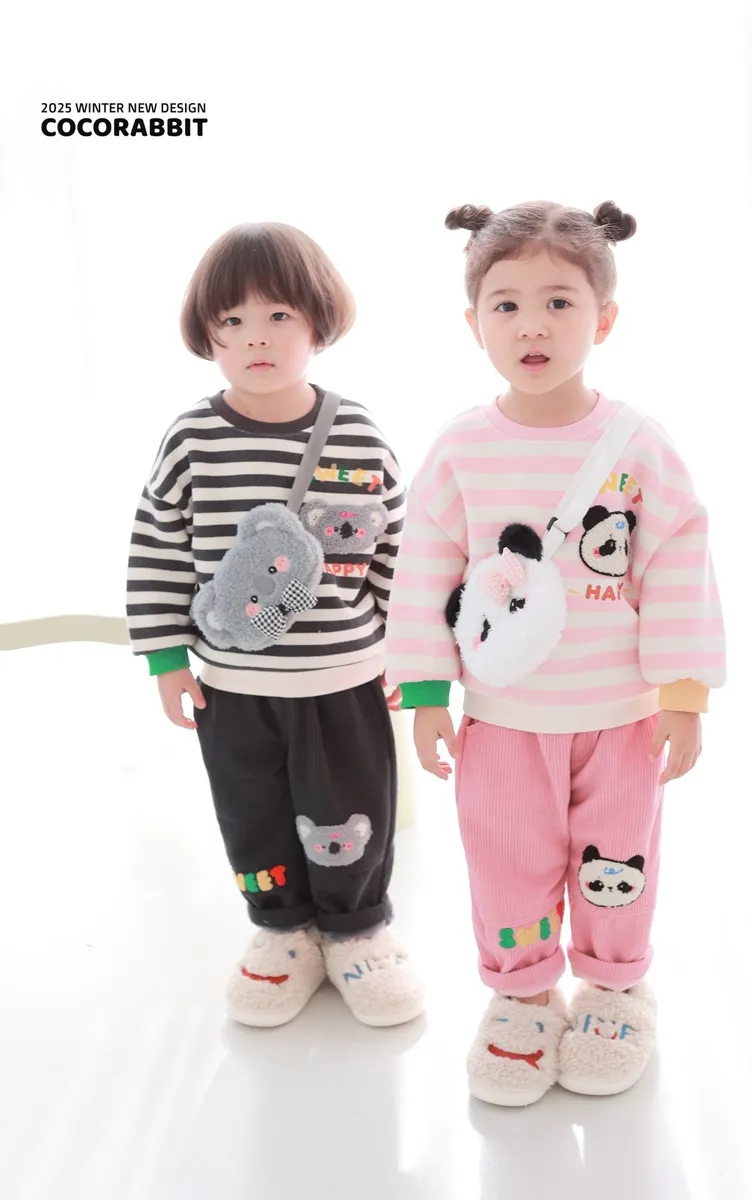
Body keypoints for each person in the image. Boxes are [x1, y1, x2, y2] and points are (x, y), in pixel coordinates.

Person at [385, 199, 725, 1104]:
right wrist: (427, 693)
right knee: (506, 859)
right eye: (506, 305)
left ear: (603, 319)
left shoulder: (639, 445)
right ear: (474, 324)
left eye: (559, 303)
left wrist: (684, 695)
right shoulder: (461, 446)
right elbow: (424, 571)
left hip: (622, 720)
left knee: (620, 858)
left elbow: (679, 562)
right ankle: (522, 996)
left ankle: (615, 991)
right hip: (504, 722)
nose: (531, 325)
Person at [126, 222, 423, 1029]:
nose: (255, 337)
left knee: (351, 810)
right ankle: (282, 930)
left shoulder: (359, 433)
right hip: (232, 686)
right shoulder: (191, 438)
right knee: (250, 810)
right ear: (208, 334)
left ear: (318, 321)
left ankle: (359, 931)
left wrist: (410, 654)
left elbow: (397, 555)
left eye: (278, 316)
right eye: (233, 320)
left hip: (344, 680)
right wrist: (164, 657)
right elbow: (157, 548)